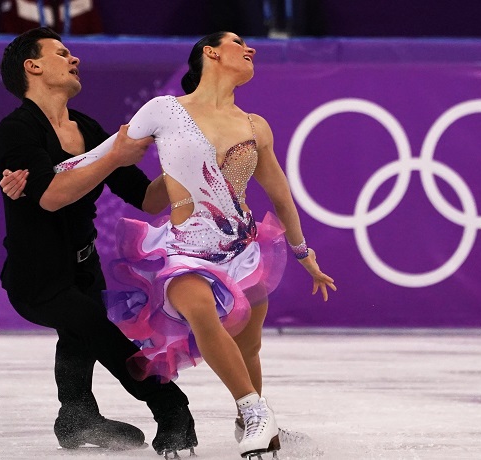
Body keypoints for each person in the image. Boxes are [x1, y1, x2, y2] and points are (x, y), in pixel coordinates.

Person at [50, 30, 337, 458]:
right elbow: (105, 152)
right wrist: (42, 174)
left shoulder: (254, 125)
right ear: (211, 52)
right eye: (238, 42)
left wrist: (303, 254)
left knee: (249, 345)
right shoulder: (166, 111)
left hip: (243, 249)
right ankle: (255, 410)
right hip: (185, 247)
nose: (250, 49)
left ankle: (253, 427)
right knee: (199, 307)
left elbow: (280, 195)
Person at [0, 27, 198, 457]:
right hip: (37, 274)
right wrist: (112, 157)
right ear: (33, 66)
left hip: (84, 266)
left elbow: (145, 196)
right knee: (97, 330)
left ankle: (77, 414)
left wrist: (188, 160)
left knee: (80, 332)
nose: (75, 59)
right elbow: (50, 198)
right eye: (62, 53)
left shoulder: (86, 127)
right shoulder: (16, 131)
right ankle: (171, 408)